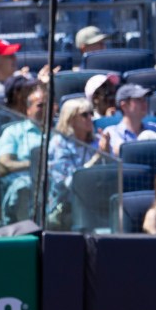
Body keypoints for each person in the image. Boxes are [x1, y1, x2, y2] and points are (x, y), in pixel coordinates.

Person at [46, 96, 102, 230]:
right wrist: (97, 158)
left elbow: (111, 175)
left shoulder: (98, 141)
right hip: (67, 207)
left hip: (97, 201)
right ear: (70, 119)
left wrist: (106, 154)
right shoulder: (58, 144)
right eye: (84, 115)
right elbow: (70, 183)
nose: (90, 118)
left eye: (91, 114)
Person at [0, 82, 46, 223]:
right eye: (40, 105)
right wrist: (32, 164)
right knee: (24, 186)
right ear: (28, 109)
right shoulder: (13, 132)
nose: (45, 109)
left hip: (51, 182)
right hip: (24, 182)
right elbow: (4, 165)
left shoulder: (59, 133)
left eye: (49, 105)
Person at [100, 84, 156, 155]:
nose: (144, 103)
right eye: (138, 99)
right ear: (124, 106)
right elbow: (120, 153)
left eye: (144, 99)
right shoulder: (112, 132)